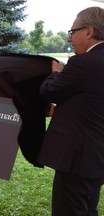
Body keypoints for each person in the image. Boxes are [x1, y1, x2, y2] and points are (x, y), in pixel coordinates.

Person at [38, 7, 104, 216]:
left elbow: (48, 92)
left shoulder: (83, 63)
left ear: (89, 31)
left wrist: (56, 72)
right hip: (96, 158)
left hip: (77, 159)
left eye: (72, 32)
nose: (69, 39)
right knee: (88, 207)